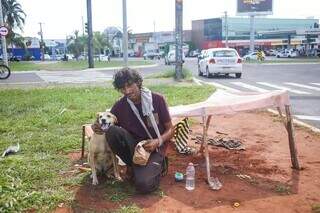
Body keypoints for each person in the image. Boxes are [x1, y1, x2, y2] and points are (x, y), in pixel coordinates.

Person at [92, 67, 174, 193]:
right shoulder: (120, 105)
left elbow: (171, 130)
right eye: (122, 88)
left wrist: (158, 141)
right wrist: (97, 126)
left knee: (143, 185)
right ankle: (133, 165)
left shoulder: (157, 100)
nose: (127, 91)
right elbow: (107, 121)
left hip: (154, 147)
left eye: (130, 85)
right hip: (133, 147)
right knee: (112, 131)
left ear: (138, 82)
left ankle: (157, 165)